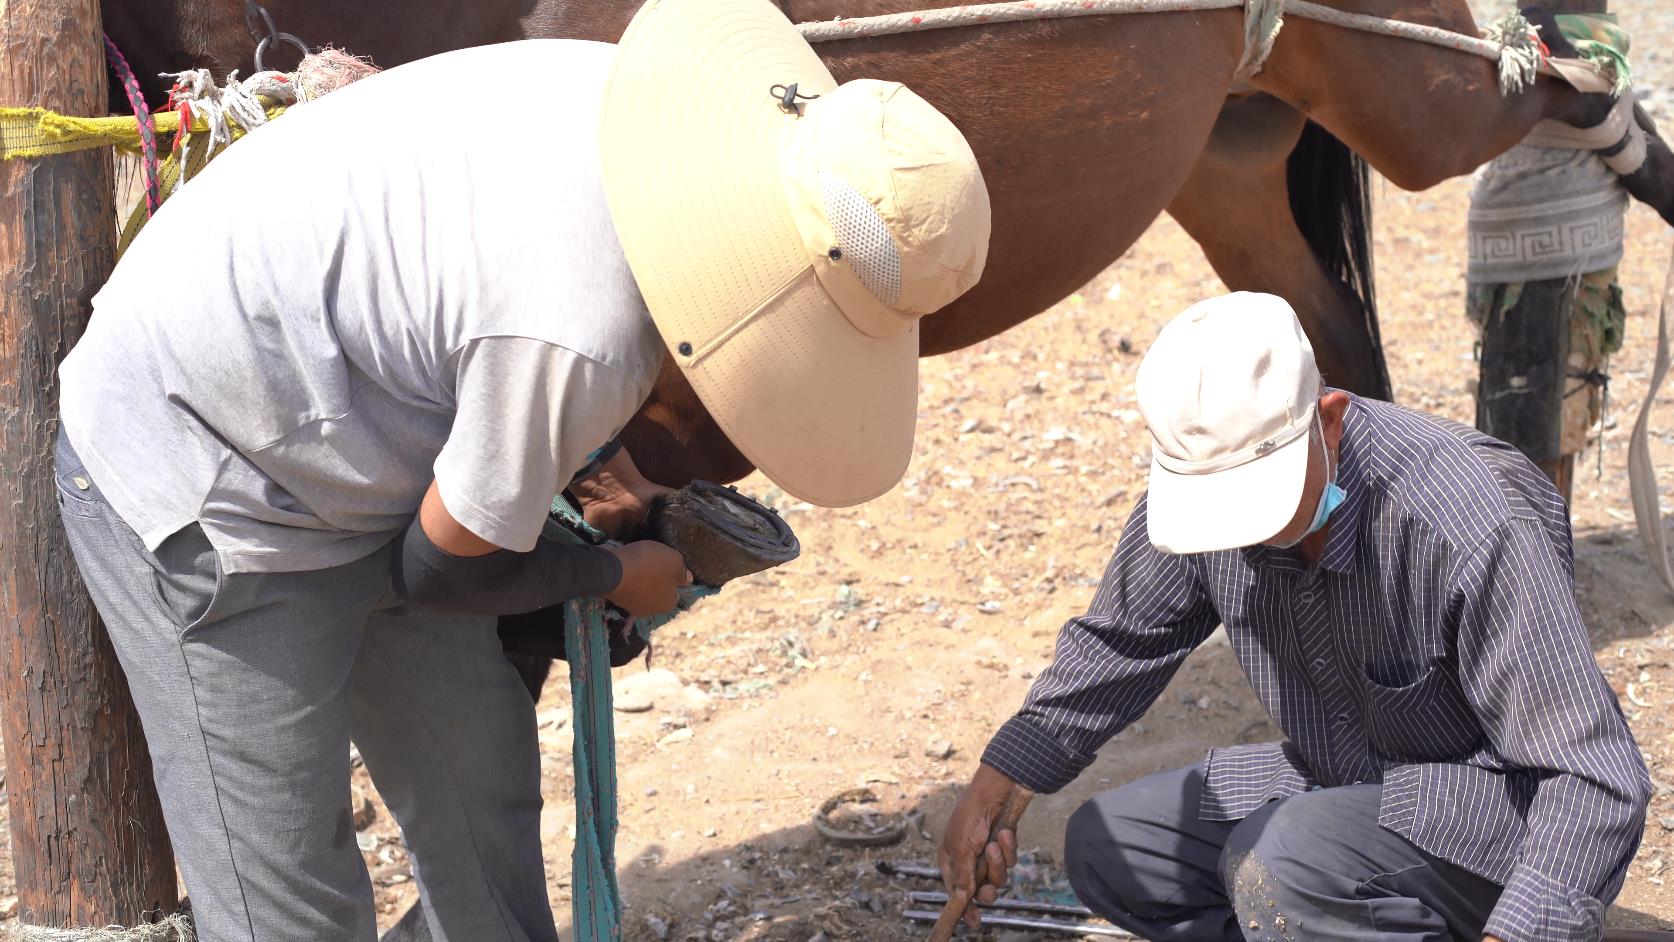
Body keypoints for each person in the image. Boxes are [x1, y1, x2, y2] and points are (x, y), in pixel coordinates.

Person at [52, 0, 991, 938]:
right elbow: (441, 570)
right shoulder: (582, 335)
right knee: (289, 905)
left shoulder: (646, 116)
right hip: (214, 480)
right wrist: (615, 573)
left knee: (479, 786)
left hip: (358, 443)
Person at [938, 292, 1650, 942]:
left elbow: (1593, 777)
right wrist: (997, 785)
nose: (1246, 537)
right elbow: (1124, 639)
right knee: (1110, 846)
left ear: (1330, 419)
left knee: (1281, 863)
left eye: (1261, 504)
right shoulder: (1208, 472)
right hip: (1338, 785)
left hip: (1486, 817)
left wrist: (1524, 930)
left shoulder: (1468, 518)